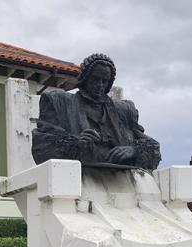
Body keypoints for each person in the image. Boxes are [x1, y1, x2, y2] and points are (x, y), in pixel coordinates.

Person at [31, 53, 161, 169]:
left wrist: (134, 150)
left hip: (121, 180)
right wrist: (77, 145)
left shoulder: (124, 110)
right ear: (85, 78)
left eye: (105, 81)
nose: (100, 85)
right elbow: (42, 145)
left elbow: (153, 148)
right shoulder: (58, 102)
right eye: (95, 79)